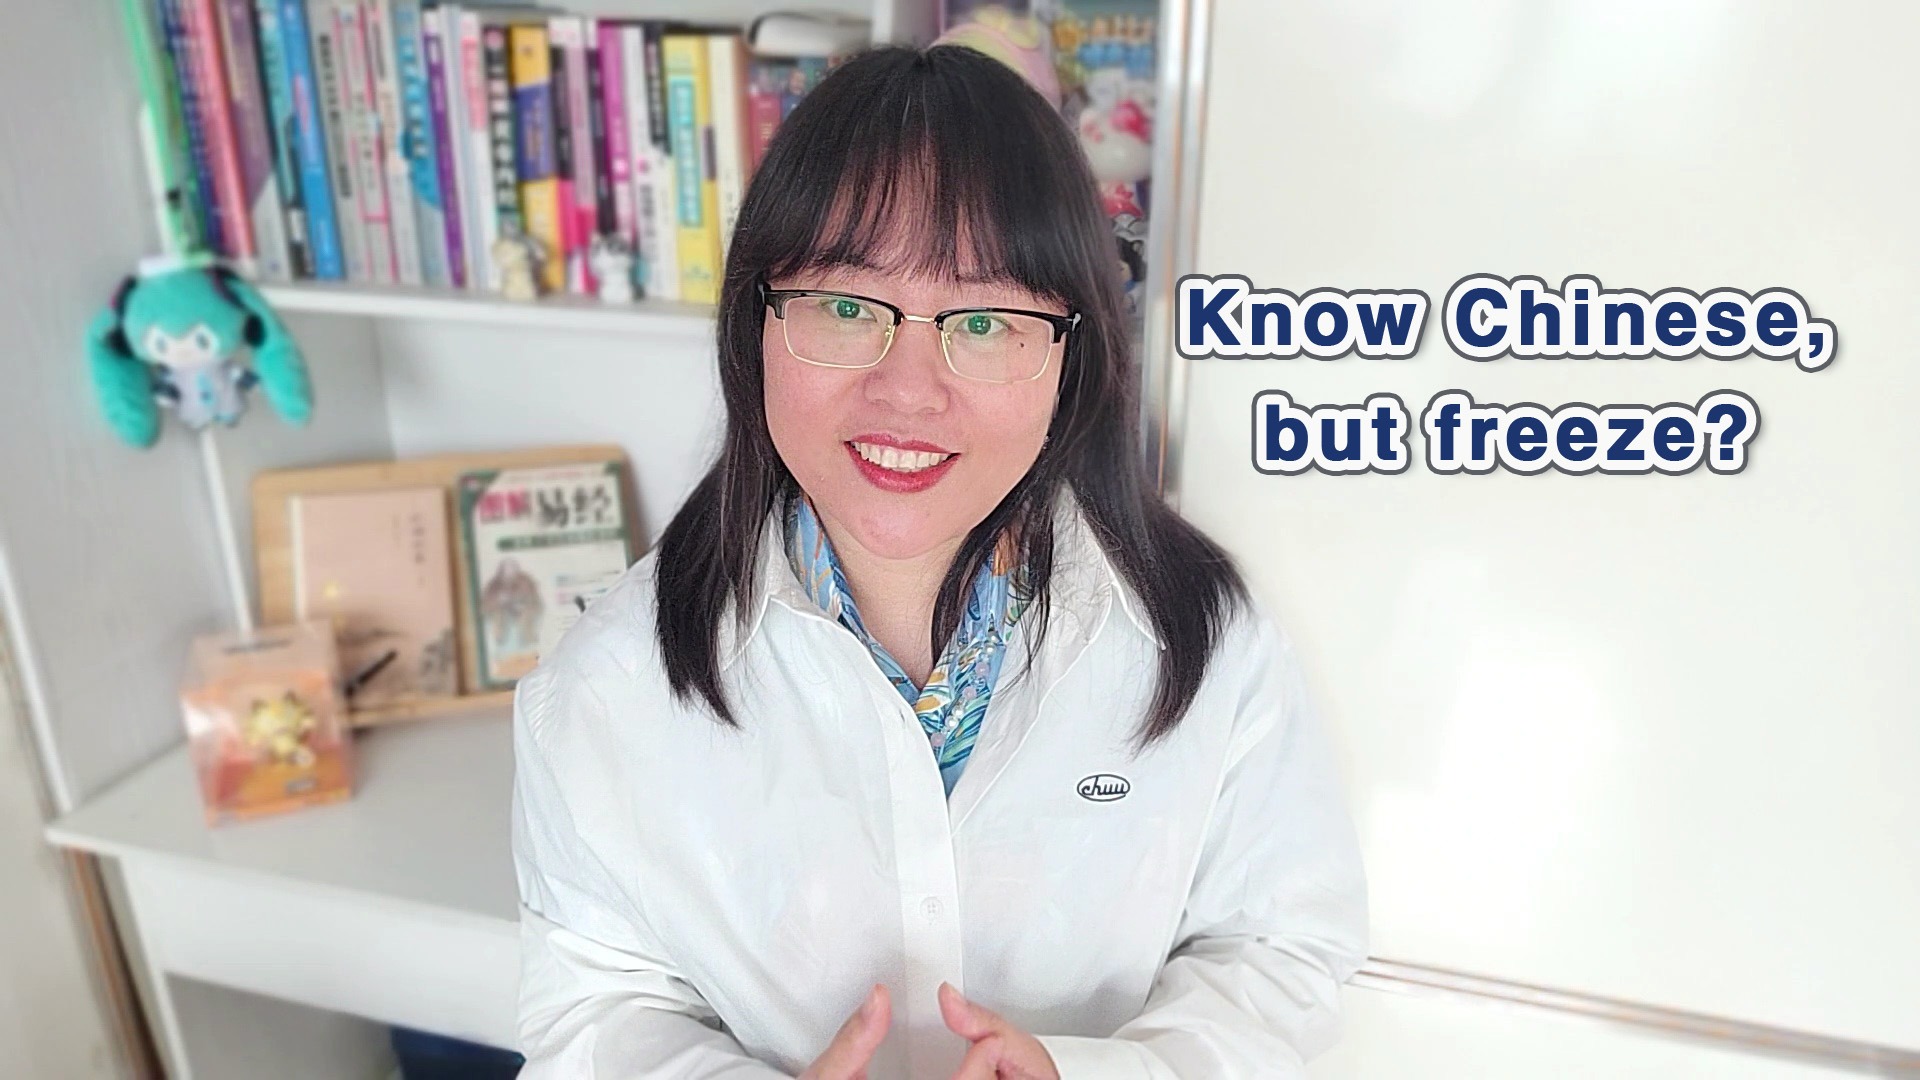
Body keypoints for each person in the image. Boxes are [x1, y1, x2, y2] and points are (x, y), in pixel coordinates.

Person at [511, 44, 1368, 1079]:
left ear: (1071, 355)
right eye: (846, 307)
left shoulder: (1205, 635)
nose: (908, 392)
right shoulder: (605, 685)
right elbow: (596, 1009)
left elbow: (1279, 946)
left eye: (985, 320)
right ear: (755, 324)